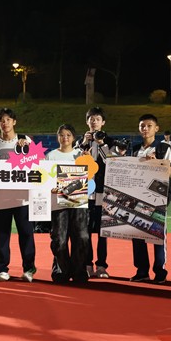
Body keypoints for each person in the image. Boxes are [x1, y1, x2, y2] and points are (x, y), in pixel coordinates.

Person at [0, 107, 36, 282]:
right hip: (0, 197)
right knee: (2, 235)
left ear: (14, 122)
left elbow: (38, 164)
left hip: (23, 197)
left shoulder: (25, 140)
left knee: (26, 234)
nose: (5, 123)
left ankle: (29, 269)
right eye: (1, 120)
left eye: (8, 119)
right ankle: (1, 269)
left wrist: (27, 151)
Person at [130, 113, 171, 284]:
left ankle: (160, 271)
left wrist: (154, 163)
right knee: (137, 233)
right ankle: (142, 271)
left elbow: (168, 172)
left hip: (157, 196)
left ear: (156, 128)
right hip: (137, 195)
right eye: (142, 126)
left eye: (149, 126)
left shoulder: (163, 148)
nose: (145, 129)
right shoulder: (135, 149)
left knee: (157, 234)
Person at [46, 124, 89, 283]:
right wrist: (50, 188)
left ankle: (79, 271)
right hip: (58, 204)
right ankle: (61, 271)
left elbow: (91, 176)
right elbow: (45, 178)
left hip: (79, 202)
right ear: (57, 137)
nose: (65, 138)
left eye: (68, 135)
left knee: (82, 237)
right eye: (62, 135)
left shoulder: (80, 155)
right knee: (59, 239)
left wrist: (88, 161)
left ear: (74, 137)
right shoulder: (51, 156)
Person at [75, 106, 113, 279]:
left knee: (103, 231)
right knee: (86, 230)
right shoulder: (81, 141)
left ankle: (102, 265)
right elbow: (75, 162)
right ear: (87, 122)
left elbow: (112, 162)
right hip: (85, 191)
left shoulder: (109, 141)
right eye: (91, 119)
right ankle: (87, 264)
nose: (94, 121)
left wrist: (102, 144)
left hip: (104, 191)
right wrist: (84, 143)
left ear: (103, 122)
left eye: (97, 119)